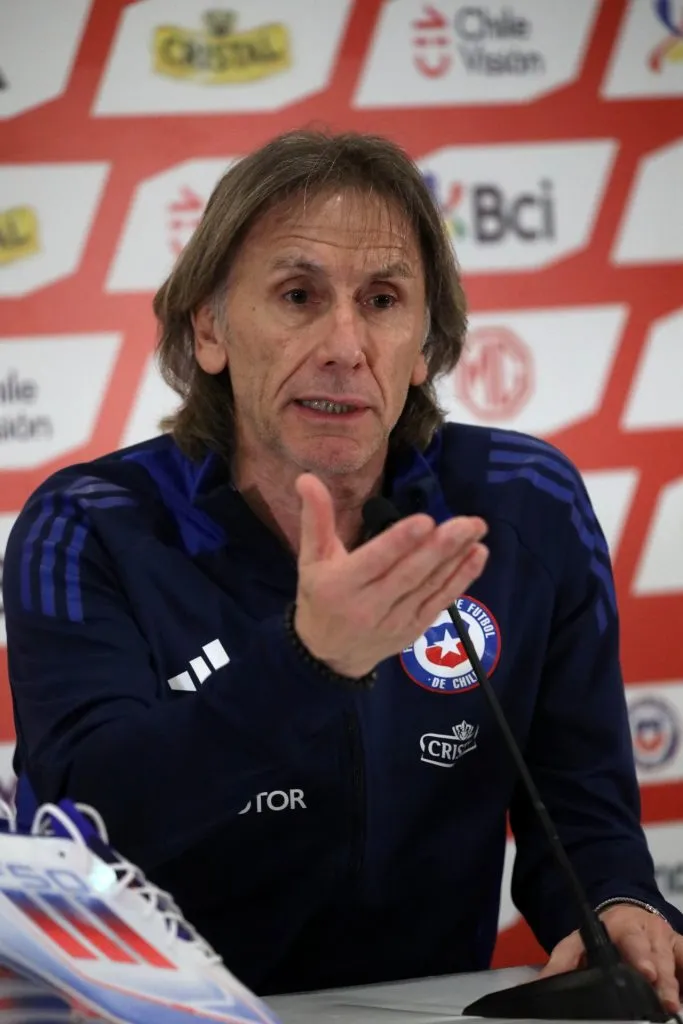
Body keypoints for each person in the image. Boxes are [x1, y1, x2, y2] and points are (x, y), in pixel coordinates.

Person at [3, 130, 682, 1009]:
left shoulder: (521, 505)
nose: (344, 344)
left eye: (384, 300)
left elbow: (580, 814)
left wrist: (615, 903)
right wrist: (306, 662)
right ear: (207, 326)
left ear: (426, 345)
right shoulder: (90, 525)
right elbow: (86, 835)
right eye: (297, 294)